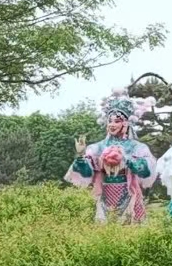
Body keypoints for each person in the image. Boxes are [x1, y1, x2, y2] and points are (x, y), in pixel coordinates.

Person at [65, 89, 158, 224]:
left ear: (126, 123)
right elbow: (86, 172)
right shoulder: (98, 147)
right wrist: (81, 154)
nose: (112, 124)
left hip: (129, 194)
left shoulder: (136, 147)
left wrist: (126, 159)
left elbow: (146, 170)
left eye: (117, 121)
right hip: (104, 195)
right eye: (110, 121)